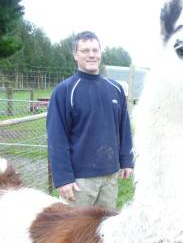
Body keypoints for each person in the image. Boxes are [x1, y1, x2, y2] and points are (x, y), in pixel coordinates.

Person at [47, 31, 134, 209]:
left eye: (95, 50)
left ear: (100, 52)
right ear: (75, 55)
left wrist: (126, 160)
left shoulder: (115, 88)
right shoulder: (64, 91)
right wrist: (63, 178)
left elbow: (124, 128)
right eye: (85, 51)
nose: (91, 55)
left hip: (110, 176)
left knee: (104, 230)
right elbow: (57, 138)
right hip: (80, 181)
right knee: (74, 232)